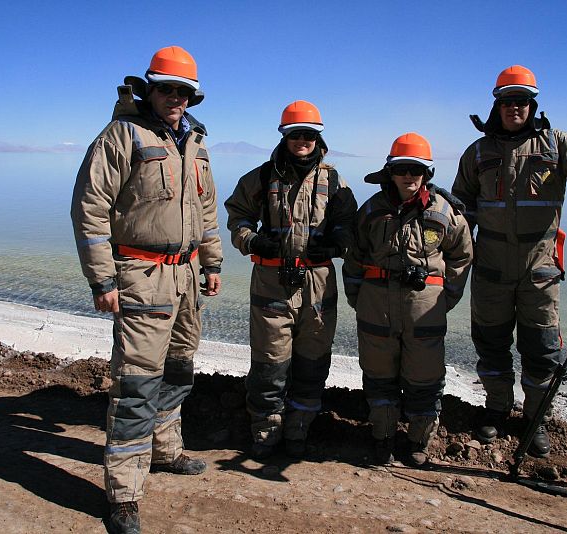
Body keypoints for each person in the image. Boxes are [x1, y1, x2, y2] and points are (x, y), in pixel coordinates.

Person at [451, 65, 567, 457]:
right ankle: (497, 409)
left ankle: (536, 419)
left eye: (521, 100)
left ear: (532, 104)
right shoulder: (478, 152)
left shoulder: (557, 144)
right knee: (491, 344)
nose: (514, 108)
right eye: (507, 101)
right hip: (489, 266)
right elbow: (461, 210)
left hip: (539, 266)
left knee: (540, 348)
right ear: (497, 105)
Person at [70, 45, 222, 534]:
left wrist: (212, 263)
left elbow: (206, 210)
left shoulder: (194, 141)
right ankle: (123, 496)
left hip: (185, 276)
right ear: (149, 90)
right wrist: (102, 279)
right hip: (140, 276)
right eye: (167, 89)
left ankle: (166, 451)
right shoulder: (121, 136)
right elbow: (90, 208)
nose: (175, 97)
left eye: (183, 91)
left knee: (178, 370)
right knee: (136, 385)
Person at [224, 100, 356, 459]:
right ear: (285, 136)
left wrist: (339, 241)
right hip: (271, 278)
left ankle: (299, 429)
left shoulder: (334, 180)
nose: (302, 140)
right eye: (295, 134)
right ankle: (266, 432)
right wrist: (252, 240)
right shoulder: (262, 177)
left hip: (318, 282)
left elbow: (349, 223)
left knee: (313, 361)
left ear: (318, 137)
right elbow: (237, 216)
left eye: (308, 134)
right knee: (270, 362)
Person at [343, 133, 473, 465]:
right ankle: (382, 437)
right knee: (378, 374)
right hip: (376, 306)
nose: (409, 176)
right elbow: (354, 256)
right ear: (391, 172)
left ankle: (419, 441)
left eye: (416, 169)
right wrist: (359, 296)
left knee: (425, 376)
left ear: (427, 173)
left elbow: (461, 256)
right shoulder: (371, 210)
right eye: (402, 169)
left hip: (425, 310)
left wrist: (447, 296)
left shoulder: (445, 211)